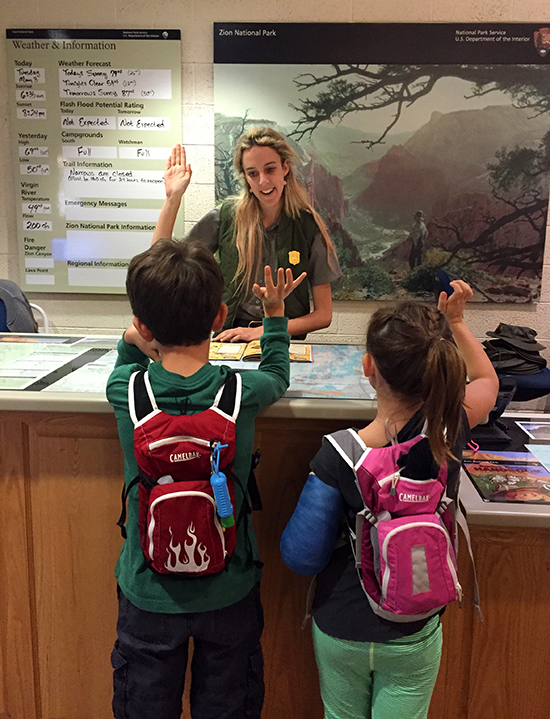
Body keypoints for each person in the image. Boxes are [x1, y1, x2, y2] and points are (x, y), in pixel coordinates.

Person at [107, 234, 305, 719]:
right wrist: (274, 316)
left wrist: (132, 339)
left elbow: (127, 356)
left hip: (148, 589)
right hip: (228, 589)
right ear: (219, 317)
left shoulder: (125, 392)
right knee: (228, 705)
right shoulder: (244, 391)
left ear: (142, 324)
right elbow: (278, 372)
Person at [280, 280, 499, 719]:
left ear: (368, 366)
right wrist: (456, 321)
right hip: (414, 629)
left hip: (343, 624)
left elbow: (301, 556)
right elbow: (487, 381)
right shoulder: (449, 430)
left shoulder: (339, 454)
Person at [152, 128, 342, 341]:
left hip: (283, 338)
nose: (263, 181)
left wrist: (263, 331)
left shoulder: (308, 227)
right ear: (246, 177)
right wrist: (172, 198)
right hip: (231, 337)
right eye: (253, 173)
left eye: (270, 169)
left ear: (285, 168)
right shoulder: (225, 217)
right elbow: (161, 263)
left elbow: (323, 315)